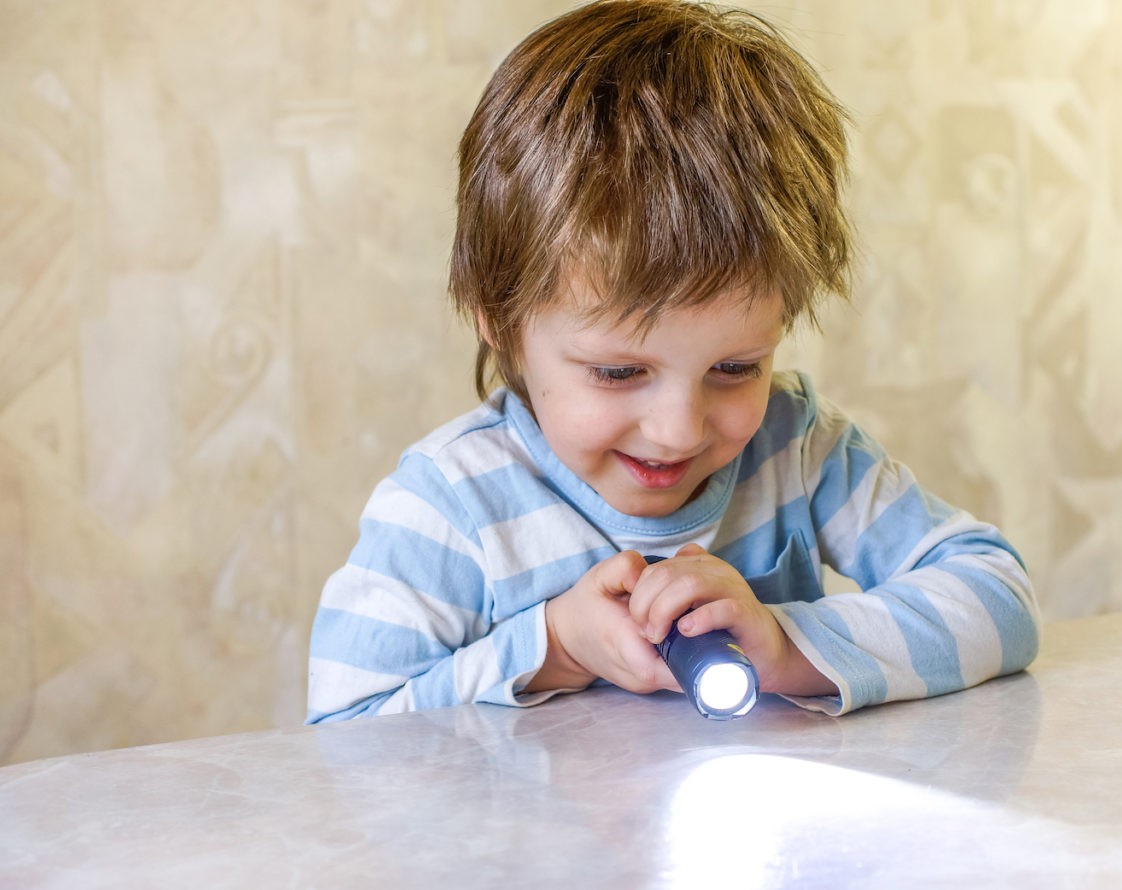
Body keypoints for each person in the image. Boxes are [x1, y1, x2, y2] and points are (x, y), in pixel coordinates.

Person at [305, 0, 1039, 723]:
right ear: (500, 321)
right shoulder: (451, 509)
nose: (679, 431)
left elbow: (997, 597)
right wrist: (554, 647)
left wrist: (785, 644)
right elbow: (345, 734)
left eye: (735, 367)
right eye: (619, 373)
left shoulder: (799, 451)